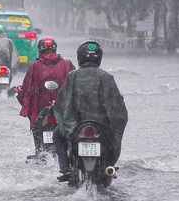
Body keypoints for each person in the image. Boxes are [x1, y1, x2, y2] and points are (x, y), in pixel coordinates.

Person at [52, 40, 128, 181]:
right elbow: (118, 108)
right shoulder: (106, 77)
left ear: (80, 57)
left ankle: (65, 169)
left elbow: (61, 104)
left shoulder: (72, 76)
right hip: (102, 129)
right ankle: (109, 165)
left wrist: (68, 122)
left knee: (56, 135)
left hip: (75, 128)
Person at [17, 36, 75, 129]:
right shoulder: (67, 64)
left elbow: (26, 89)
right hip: (62, 110)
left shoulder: (35, 66)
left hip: (40, 110)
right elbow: (74, 87)